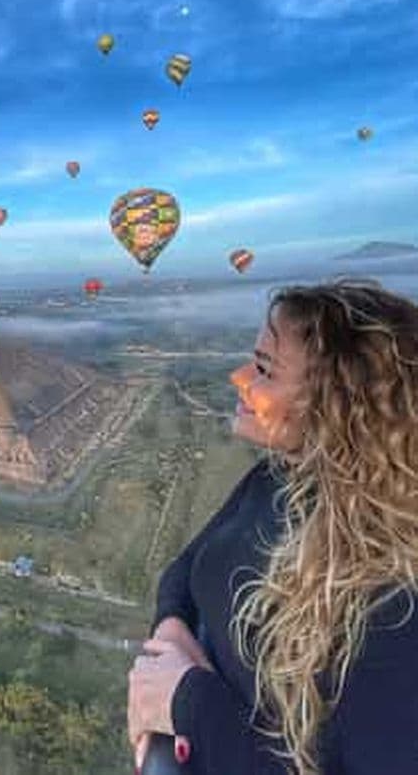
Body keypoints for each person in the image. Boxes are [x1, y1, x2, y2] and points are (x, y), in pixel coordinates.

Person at [127, 279, 418, 774]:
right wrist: (172, 632)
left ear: (338, 405)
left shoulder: (397, 602)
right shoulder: (278, 478)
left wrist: (186, 702)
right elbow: (187, 568)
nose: (238, 376)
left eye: (264, 369)